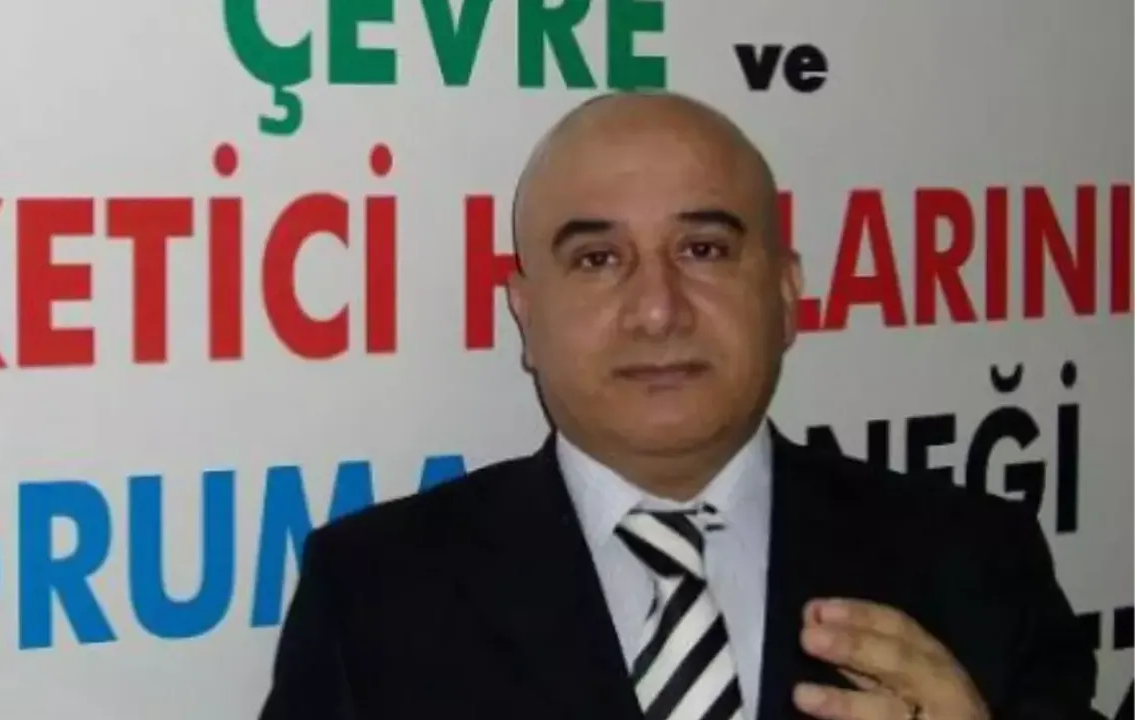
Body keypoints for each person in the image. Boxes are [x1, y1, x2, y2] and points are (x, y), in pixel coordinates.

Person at [257, 91, 1106, 720]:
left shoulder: (976, 563)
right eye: (597, 259)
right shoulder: (372, 596)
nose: (658, 310)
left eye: (703, 249)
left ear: (787, 295)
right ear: (526, 313)